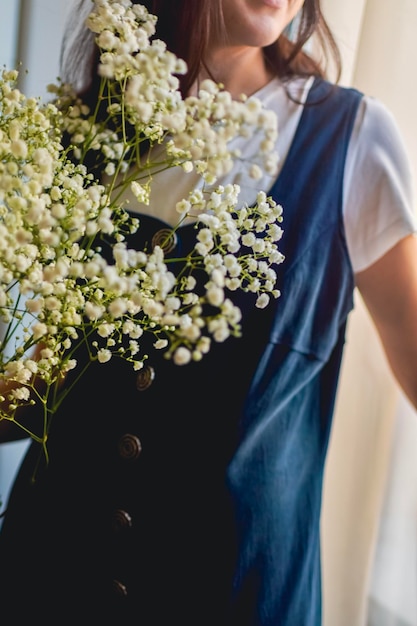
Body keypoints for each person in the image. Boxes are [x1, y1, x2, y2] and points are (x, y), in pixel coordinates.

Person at [1, 1, 417, 624]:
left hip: (240, 599)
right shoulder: (84, 131)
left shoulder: (350, 139)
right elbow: (52, 383)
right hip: (51, 580)